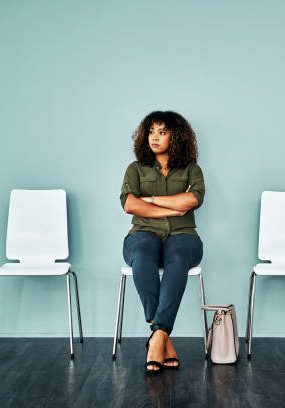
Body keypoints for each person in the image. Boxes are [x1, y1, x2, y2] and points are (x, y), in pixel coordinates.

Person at [120, 111, 205, 373]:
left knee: (178, 259)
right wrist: (171, 206)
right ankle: (161, 336)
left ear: (176, 137)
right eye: (151, 132)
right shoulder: (135, 169)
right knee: (142, 253)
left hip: (184, 236)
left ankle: (157, 335)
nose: (154, 138)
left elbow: (193, 201)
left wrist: (152, 199)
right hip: (143, 234)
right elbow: (129, 204)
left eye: (162, 132)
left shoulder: (192, 169)